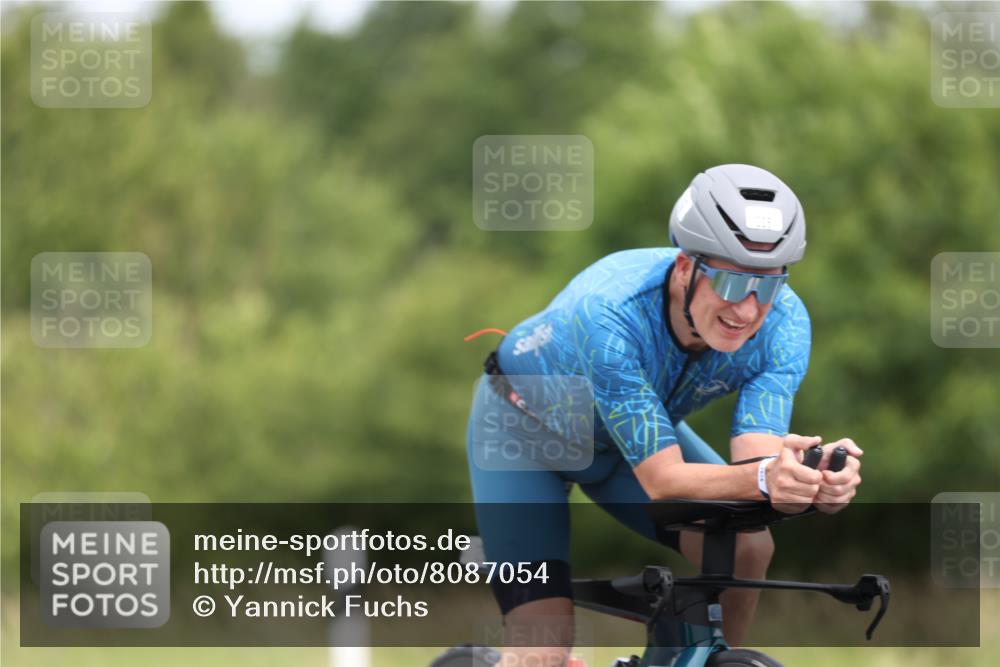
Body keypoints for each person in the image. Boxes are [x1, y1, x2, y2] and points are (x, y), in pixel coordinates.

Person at [465, 164, 863, 665]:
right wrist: (766, 477)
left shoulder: (784, 324)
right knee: (542, 646)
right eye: (731, 283)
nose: (747, 310)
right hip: (523, 437)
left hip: (630, 440)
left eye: (767, 286)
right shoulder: (609, 313)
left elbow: (755, 464)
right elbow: (664, 480)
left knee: (749, 546)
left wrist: (808, 483)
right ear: (683, 269)